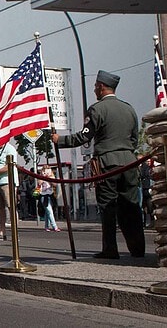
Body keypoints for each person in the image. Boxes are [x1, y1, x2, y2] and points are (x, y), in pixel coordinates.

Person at [52, 70, 144, 259]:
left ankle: (110, 248)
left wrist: (60, 140)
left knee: (108, 207)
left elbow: (84, 136)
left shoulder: (97, 110)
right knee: (131, 205)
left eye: (95, 87)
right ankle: (137, 248)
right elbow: (134, 138)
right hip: (129, 162)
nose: (94, 90)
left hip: (107, 163)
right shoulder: (129, 109)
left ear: (101, 87)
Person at [0, 141, 19, 241]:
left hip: (8, 181)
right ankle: (2, 231)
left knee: (11, 206)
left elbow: (9, 166)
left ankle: (15, 232)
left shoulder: (10, 149)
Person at [38, 166, 61, 232]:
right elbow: (39, 183)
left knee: (47, 212)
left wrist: (49, 179)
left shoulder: (51, 177)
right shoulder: (40, 177)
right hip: (43, 196)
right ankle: (55, 226)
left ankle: (46, 226)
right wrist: (43, 177)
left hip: (50, 196)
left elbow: (55, 184)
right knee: (49, 211)